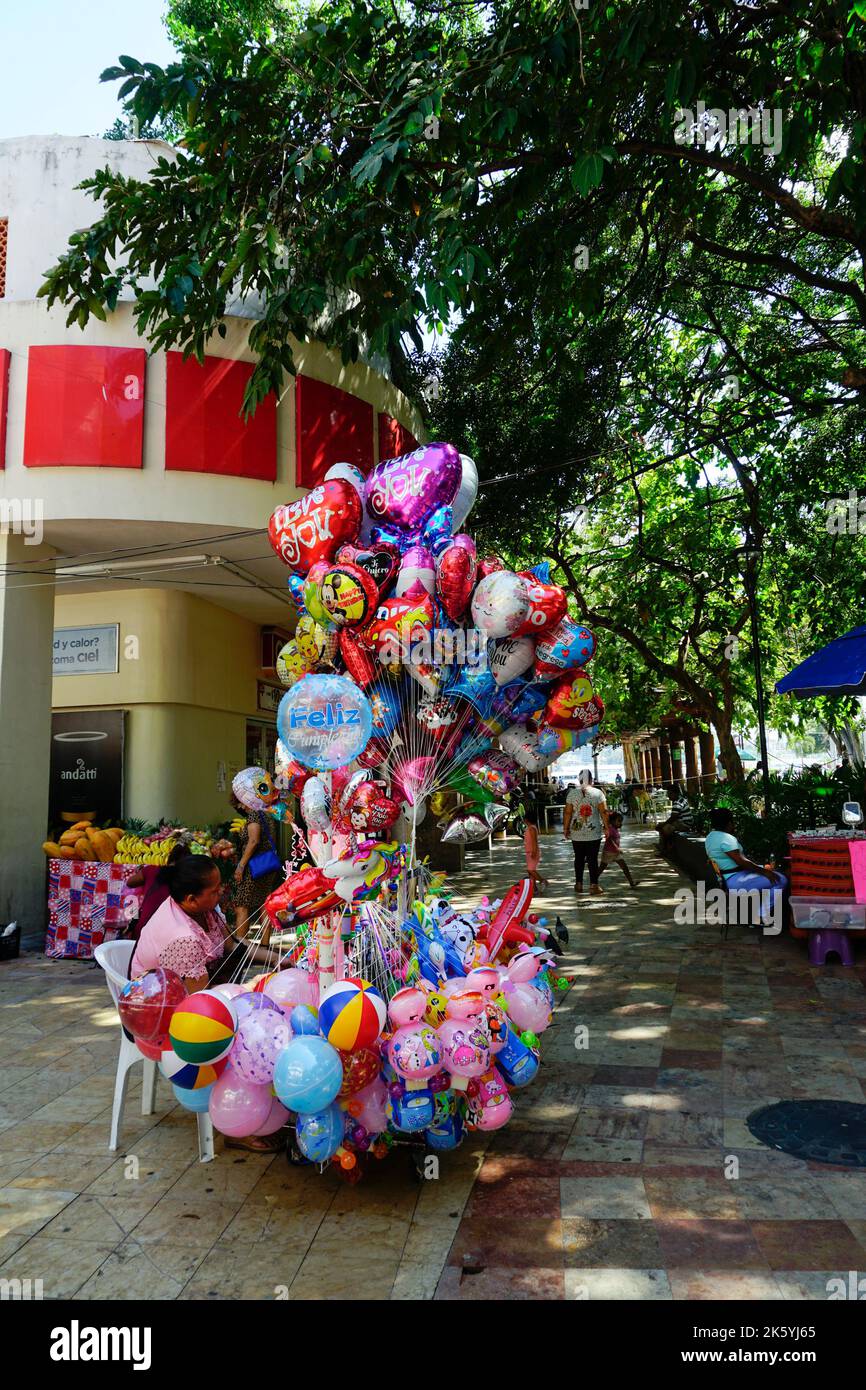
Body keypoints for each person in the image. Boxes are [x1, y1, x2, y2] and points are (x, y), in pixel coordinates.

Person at [130, 855, 231, 989]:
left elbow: (232, 944)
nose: (221, 891)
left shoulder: (197, 908)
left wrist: (269, 957)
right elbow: (198, 997)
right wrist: (249, 987)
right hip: (157, 999)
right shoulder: (184, 940)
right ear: (191, 900)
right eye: (215, 890)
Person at [229, 792, 286, 965]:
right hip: (266, 865)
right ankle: (265, 943)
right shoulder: (265, 813)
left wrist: (241, 865)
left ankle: (240, 945)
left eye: (239, 804)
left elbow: (254, 841)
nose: (239, 808)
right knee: (264, 902)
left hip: (255, 866)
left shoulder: (254, 814)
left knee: (242, 904)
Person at [704, 807, 787, 919]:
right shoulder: (726, 839)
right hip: (736, 882)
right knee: (781, 879)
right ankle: (761, 915)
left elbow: (736, 863)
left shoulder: (710, 837)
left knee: (773, 873)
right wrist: (765, 872)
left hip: (727, 879)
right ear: (729, 823)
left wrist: (762, 868)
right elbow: (742, 862)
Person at [126, 842, 194, 938]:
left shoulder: (152, 870)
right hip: (169, 936)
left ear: (170, 858)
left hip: (142, 930)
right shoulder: (188, 881)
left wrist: (142, 873)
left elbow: (129, 883)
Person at [563, 770, 609, 895]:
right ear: (591, 779)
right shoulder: (598, 793)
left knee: (578, 858)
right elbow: (604, 812)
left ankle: (579, 884)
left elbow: (567, 812)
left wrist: (565, 828)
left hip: (576, 832)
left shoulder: (572, 793)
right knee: (592, 859)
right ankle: (594, 886)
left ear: (579, 779)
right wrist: (607, 827)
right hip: (593, 833)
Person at [600, 810, 637, 888]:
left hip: (615, 853)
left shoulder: (614, 829)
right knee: (602, 868)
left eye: (621, 821)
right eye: (619, 821)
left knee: (624, 867)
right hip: (609, 853)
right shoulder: (610, 829)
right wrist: (617, 848)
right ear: (613, 821)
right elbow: (610, 839)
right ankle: (593, 882)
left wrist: (617, 849)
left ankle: (631, 882)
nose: (620, 823)